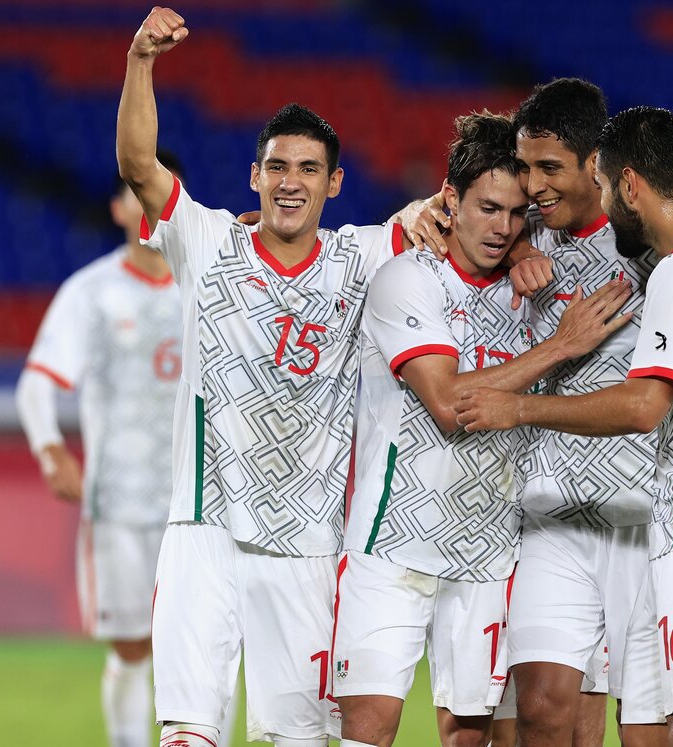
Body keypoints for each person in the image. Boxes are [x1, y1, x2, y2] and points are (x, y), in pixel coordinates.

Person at [402, 78, 673, 747]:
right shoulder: (521, 231)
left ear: (600, 169)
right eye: (525, 169)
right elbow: (446, 211)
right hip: (553, 508)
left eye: (548, 168)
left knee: (650, 730)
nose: (532, 186)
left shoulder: (655, 247)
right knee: (543, 709)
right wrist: (431, 214)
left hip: (646, 511)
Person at [115, 8, 428, 747]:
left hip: (307, 545)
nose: (291, 183)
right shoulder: (208, 242)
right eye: (278, 167)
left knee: (299, 739)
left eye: (309, 169)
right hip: (205, 529)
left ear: (335, 182)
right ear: (254, 175)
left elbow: (456, 214)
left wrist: (485, 231)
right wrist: (140, 61)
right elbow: (138, 166)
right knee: (188, 733)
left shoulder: (360, 256)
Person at [332, 112, 631, 747]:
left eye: (518, 214)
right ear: (449, 199)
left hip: (489, 555)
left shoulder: (534, 282)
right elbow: (447, 401)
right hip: (394, 546)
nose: (502, 227)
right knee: (367, 729)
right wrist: (559, 346)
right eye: (488, 208)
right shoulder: (409, 278)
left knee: (471, 736)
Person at [16, 155, 212, 747]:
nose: (148, 200)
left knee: (203, 650)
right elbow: (37, 382)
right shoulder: (91, 292)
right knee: (131, 649)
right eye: (136, 190)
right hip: (120, 502)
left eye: (160, 189)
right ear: (118, 208)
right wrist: (50, 449)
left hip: (203, 503)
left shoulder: (213, 283)